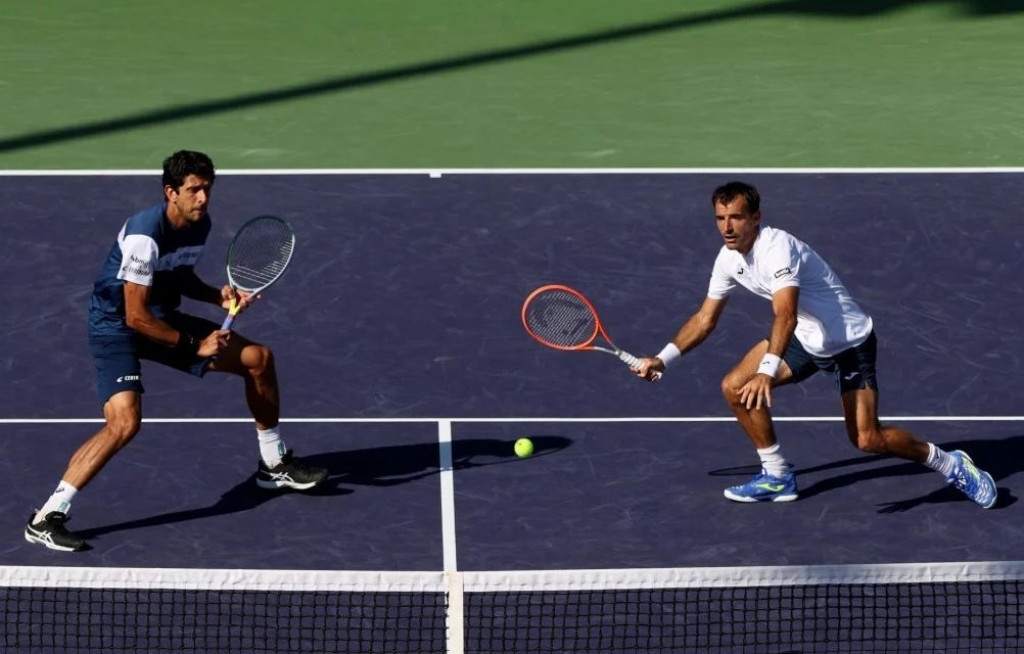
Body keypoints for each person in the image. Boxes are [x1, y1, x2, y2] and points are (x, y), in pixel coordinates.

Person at [25, 150, 328, 552]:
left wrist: (218, 296)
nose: (203, 198)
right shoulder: (144, 235)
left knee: (259, 359)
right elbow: (134, 316)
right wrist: (195, 345)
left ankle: (274, 465)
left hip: (161, 318)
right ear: (172, 192)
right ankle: (47, 517)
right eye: (194, 190)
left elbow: (179, 275)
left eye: (207, 189)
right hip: (117, 328)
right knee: (124, 424)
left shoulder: (198, 224)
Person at [632, 181, 997, 508]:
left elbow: (785, 315)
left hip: (848, 344)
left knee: (868, 439)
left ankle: (951, 464)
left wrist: (767, 371)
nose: (727, 227)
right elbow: (704, 319)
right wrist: (663, 359)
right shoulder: (728, 260)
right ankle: (777, 476)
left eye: (737, 217)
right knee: (734, 387)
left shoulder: (778, 250)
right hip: (806, 339)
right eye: (720, 218)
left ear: (755, 218)